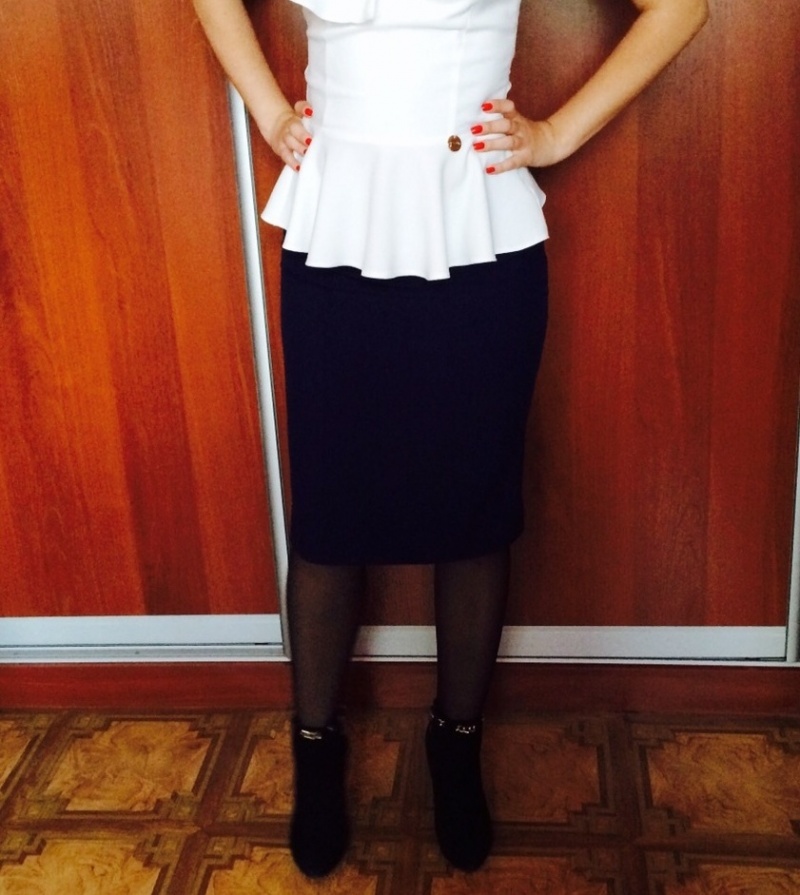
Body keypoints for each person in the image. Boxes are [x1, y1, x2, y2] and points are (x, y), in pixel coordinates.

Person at [193, 0, 708, 878]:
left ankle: (456, 741)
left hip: (480, 236)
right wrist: (271, 112)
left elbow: (681, 8)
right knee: (329, 513)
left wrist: (553, 136)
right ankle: (316, 748)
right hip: (335, 227)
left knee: (474, 509)